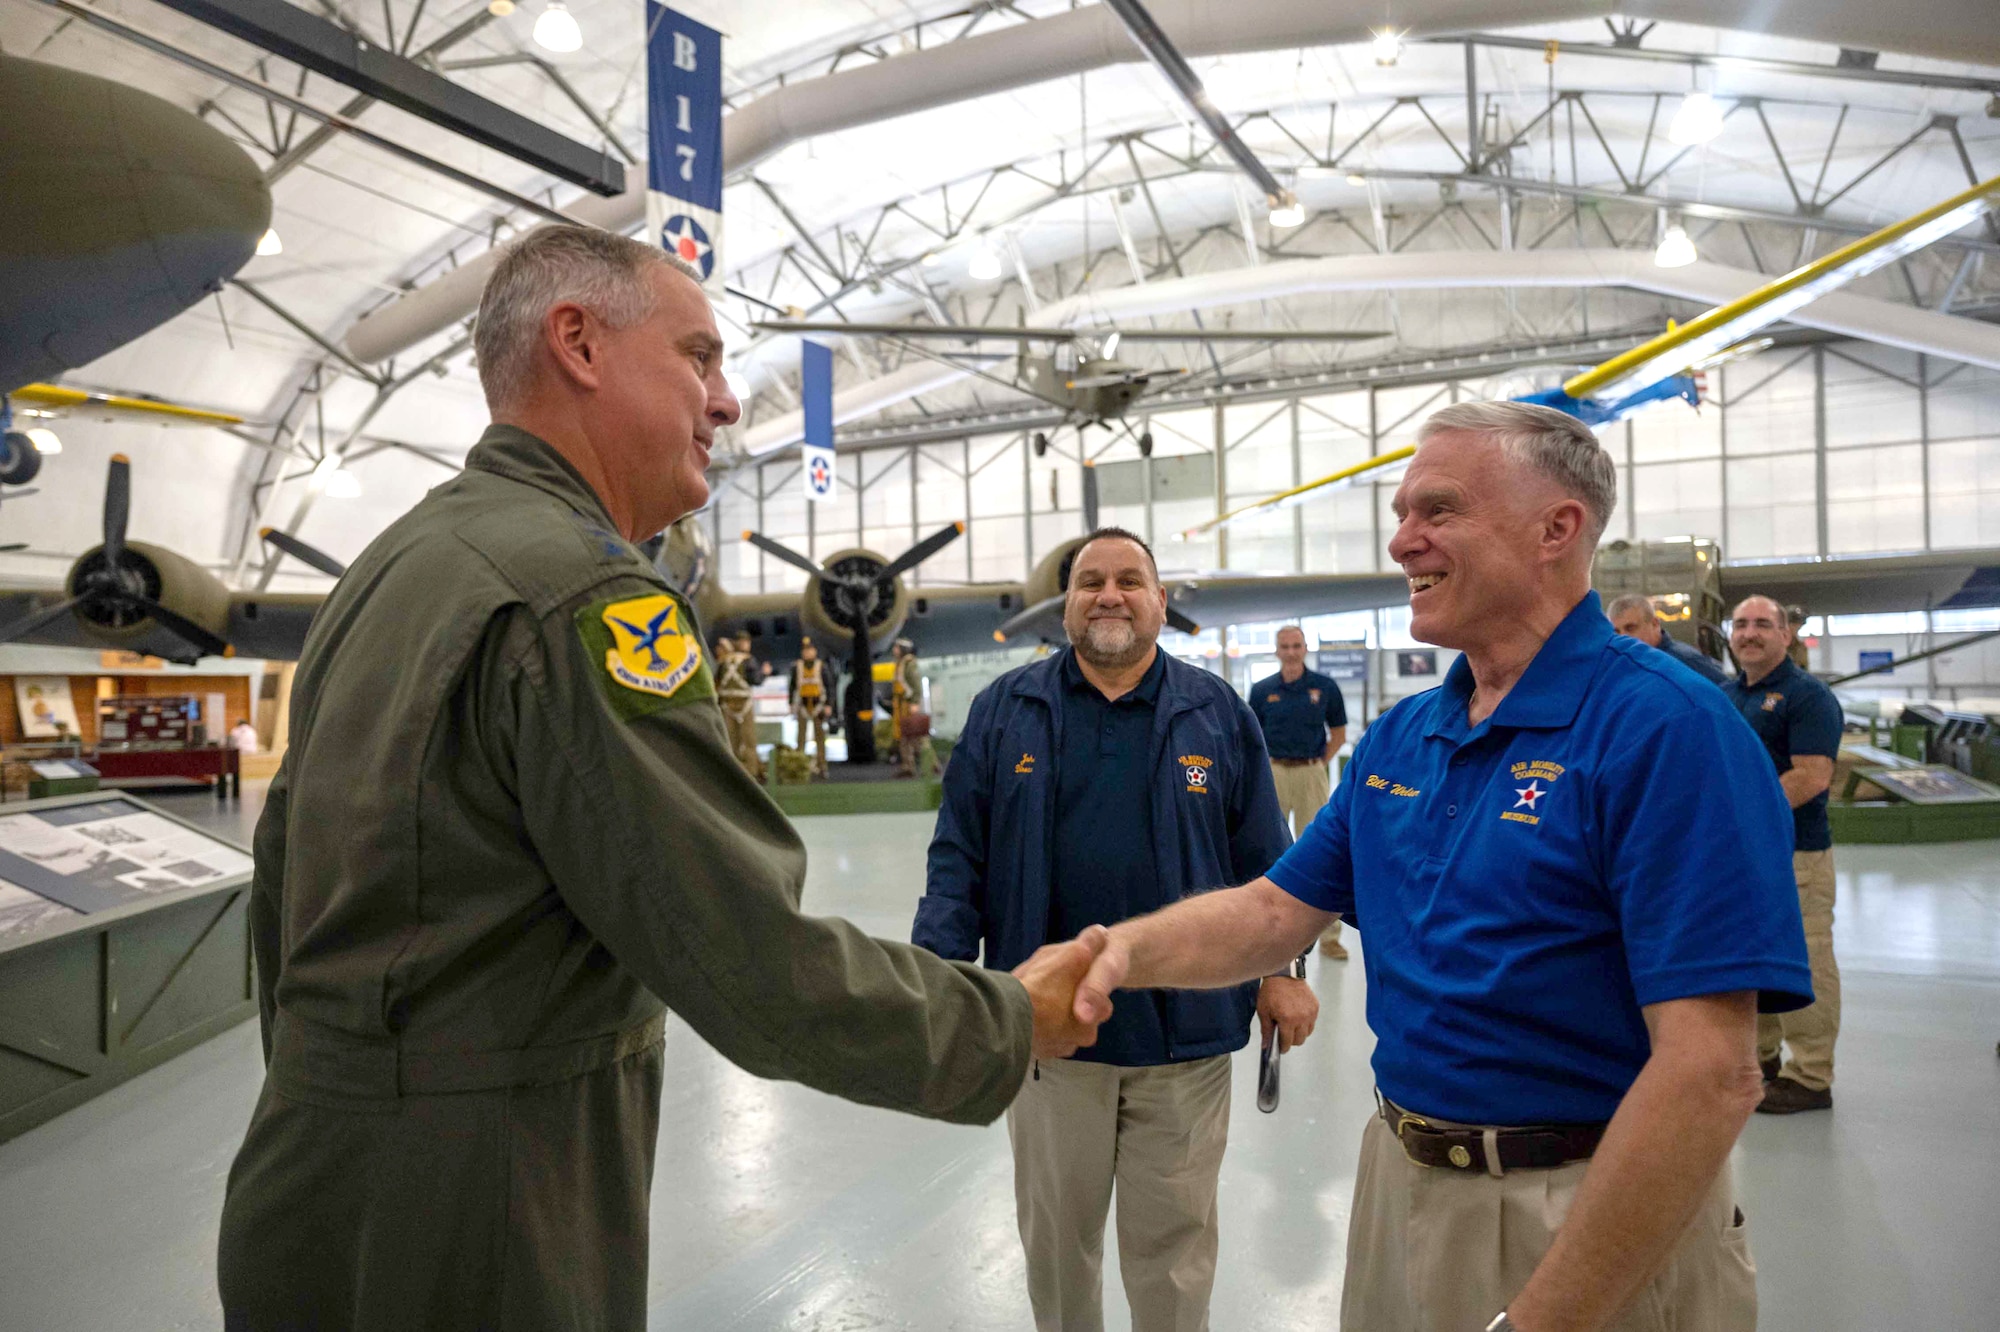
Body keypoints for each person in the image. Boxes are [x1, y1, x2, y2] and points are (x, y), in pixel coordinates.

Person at [216, 225, 1106, 1332]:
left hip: (314, 1176)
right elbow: (745, 957)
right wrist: (1003, 1017)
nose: (727, 401)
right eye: (698, 356)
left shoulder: (393, 567)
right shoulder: (584, 597)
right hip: (481, 1222)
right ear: (578, 344)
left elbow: (280, 881)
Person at [1061, 402, 1813, 1332]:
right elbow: (1271, 913)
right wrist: (1117, 954)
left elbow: (1710, 1073)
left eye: (1437, 510)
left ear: (1557, 529)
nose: (1401, 542)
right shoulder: (1408, 737)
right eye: (1401, 513)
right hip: (1403, 1187)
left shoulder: (1670, 730)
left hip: (1587, 1213)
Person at [912, 526, 1316, 1332]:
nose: (1109, 594)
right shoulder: (1005, 712)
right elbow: (958, 858)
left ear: (1160, 602)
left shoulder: (1217, 714)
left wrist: (1283, 972)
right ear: (1065, 605)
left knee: (1174, 1250)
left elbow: (1269, 865)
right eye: (1090, 580)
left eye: (1130, 580)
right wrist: (943, 981)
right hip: (1050, 1034)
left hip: (1188, 1039)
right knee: (1059, 1247)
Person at [1724, 594, 1844, 1115]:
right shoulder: (1728, 695)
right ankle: (1765, 1058)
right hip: (1742, 856)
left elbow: (1813, 776)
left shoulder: (1807, 696)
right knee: (1755, 959)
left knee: (1806, 960)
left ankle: (1812, 1075)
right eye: (1741, 624)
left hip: (1796, 855)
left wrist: (1741, 814)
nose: (1750, 633)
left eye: (1762, 625)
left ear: (1786, 635)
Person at [1249, 624, 1351, 959]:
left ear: (1305, 648)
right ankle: (1266, 929)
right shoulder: (1262, 690)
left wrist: (1319, 763)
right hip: (1274, 773)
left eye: (1296, 645)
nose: (1291, 652)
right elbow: (1253, 738)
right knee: (1268, 845)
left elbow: (1338, 732)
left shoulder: (1324, 688)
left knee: (1324, 851)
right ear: (1277, 651)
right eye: (1285, 646)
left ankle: (1329, 937)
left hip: (1311, 772)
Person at [1604, 592, 1731, 686]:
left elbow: (1729, 694)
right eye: (1616, 632)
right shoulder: (1621, 667)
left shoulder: (1685, 661)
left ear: (1655, 624)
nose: (1623, 637)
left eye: (1630, 628)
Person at [714, 632, 764, 781]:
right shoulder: (747, 661)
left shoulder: (723, 662)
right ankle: (751, 772)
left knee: (734, 740)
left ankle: (737, 773)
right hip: (740, 705)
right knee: (746, 740)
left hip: (729, 705)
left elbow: (715, 682)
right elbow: (756, 679)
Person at [788, 636, 836, 777]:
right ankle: (799, 765)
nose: (807, 653)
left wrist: (829, 704)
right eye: (805, 650)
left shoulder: (821, 666)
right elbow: (792, 686)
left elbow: (829, 686)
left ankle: (822, 765)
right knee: (800, 737)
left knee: (820, 737)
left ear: (814, 651)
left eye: (810, 650)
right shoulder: (797, 667)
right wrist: (791, 703)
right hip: (803, 704)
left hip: (818, 705)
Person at [890, 637, 923, 776]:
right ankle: (908, 766)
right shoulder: (901, 664)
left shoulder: (909, 664)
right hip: (901, 704)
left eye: (896, 647)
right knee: (905, 736)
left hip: (907, 704)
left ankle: (929, 764)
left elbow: (916, 684)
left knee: (914, 737)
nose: (894, 650)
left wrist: (915, 702)